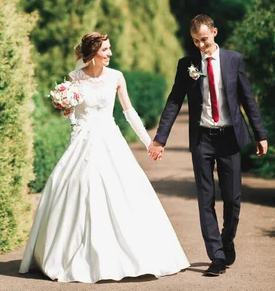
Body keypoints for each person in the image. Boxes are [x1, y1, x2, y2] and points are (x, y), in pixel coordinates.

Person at [19, 32, 189, 283]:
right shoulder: (74, 78)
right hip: (83, 141)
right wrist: (66, 108)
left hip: (110, 140)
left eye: (110, 49)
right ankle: (69, 255)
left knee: (124, 192)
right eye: (105, 50)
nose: (110, 54)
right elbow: (73, 117)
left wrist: (149, 143)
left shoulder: (117, 77)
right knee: (77, 189)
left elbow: (129, 112)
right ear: (92, 54)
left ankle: (131, 256)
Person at [148, 14, 268, 277]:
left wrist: (260, 134)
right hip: (202, 138)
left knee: (233, 198)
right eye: (195, 41)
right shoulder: (187, 65)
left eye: (203, 40)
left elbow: (248, 99)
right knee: (205, 198)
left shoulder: (233, 59)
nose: (200, 46)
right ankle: (216, 255)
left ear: (214, 32)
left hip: (229, 138)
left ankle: (227, 239)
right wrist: (160, 138)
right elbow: (173, 101)